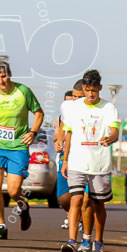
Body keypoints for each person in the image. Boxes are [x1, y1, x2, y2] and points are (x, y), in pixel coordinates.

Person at [0, 61, 44, 239]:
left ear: (10, 74)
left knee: (14, 190)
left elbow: (39, 112)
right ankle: (0, 225)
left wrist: (33, 132)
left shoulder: (23, 91)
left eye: (4, 76)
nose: (1, 81)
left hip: (18, 147)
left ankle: (23, 206)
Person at [60, 70, 119, 252]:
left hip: (99, 164)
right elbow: (68, 134)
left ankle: (98, 242)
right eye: (87, 90)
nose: (91, 94)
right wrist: (65, 159)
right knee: (75, 199)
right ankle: (72, 241)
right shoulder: (73, 107)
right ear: (83, 88)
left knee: (98, 204)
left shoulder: (108, 108)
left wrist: (110, 138)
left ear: (100, 88)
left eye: (94, 90)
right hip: (77, 161)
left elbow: (115, 131)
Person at [54, 85, 82, 230]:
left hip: (85, 157)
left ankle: (81, 233)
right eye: (75, 97)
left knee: (81, 197)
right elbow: (62, 130)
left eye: (79, 97)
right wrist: (59, 141)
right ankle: (73, 216)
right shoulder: (66, 108)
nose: (76, 100)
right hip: (66, 156)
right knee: (63, 198)